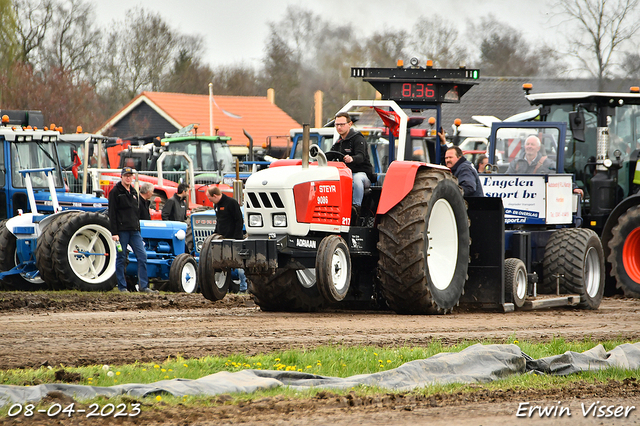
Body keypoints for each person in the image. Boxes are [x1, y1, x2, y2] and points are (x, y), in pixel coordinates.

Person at [108, 167, 156, 293]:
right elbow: (112, 213)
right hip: (122, 231)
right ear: (121, 177)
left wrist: (138, 229)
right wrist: (115, 233)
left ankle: (143, 286)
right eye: (126, 175)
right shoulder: (115, 192)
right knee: (121, 257)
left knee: (142, 255)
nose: (128, 178)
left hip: (134, 231)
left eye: (130, 176)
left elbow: (136, 213)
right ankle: (122, 287)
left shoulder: (134, 192)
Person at [330, 112, 374, 218]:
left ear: (349, 124)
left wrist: (352, 158)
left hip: (362, 175)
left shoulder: (358, 139)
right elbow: (330, 154)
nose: (339, 127)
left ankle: (356, 208)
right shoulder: (338, 142)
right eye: (337, 125)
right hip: (346, 174)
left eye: (342, 124)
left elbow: (361, 156)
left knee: (357, 179)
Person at [206, 186, 247, 293]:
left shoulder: (231, 203)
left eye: (210, 198)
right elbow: (219, 221)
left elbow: (239, 221)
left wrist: (237, 238)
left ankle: (244, 288)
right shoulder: (217, 205)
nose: (209, 200)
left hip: (233, 239)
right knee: (222, 263)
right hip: (221, 239)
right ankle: (224, 286)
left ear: (215, 196)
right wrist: (214, 235)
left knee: (239, 263)